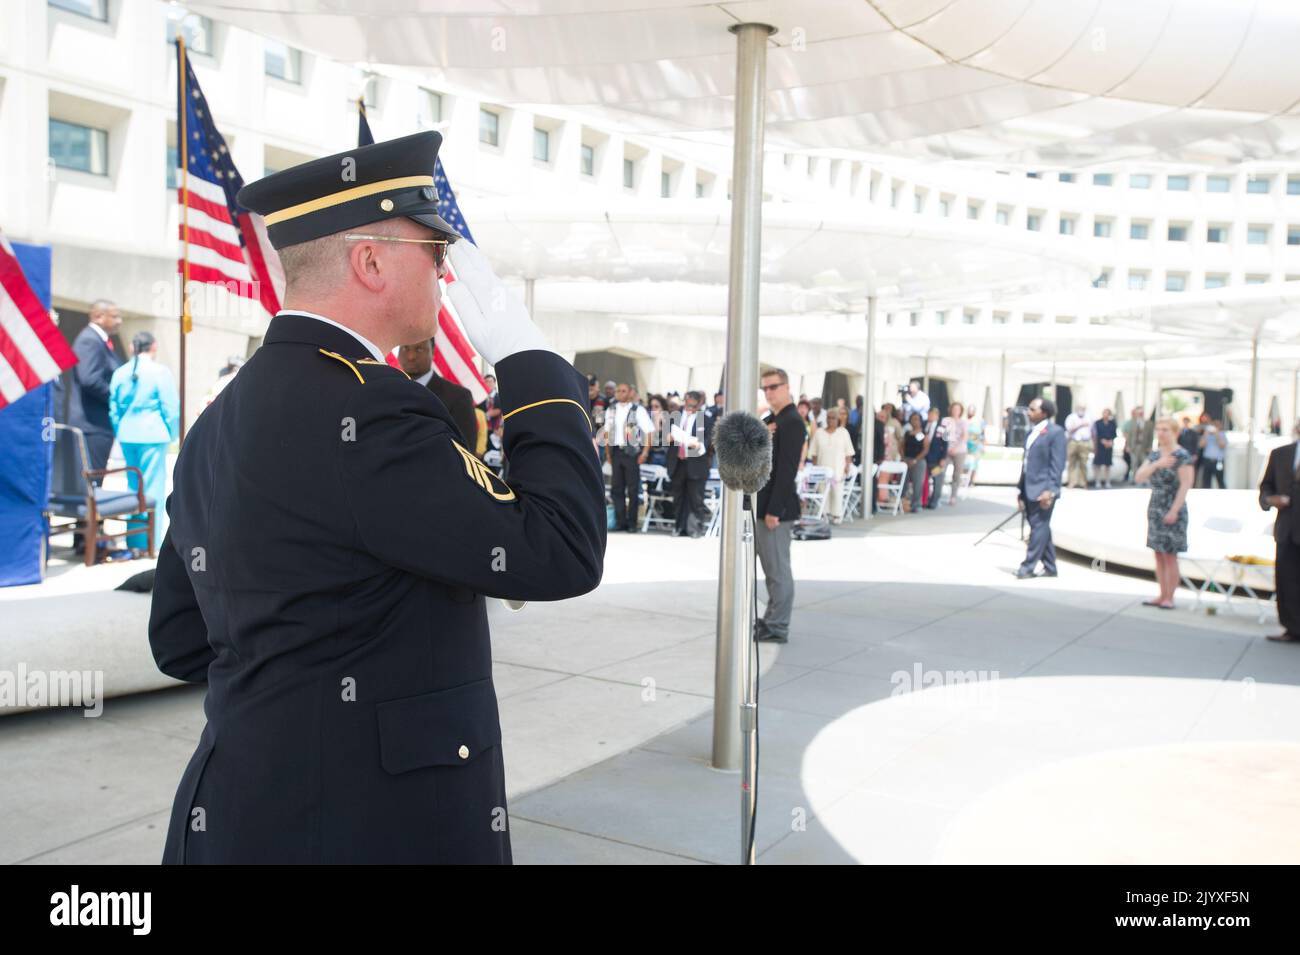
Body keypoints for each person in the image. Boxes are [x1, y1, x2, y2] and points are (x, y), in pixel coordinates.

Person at [148, 130, 606, 865]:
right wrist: (535, 369)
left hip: (237, 810)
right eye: (434, 253)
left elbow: (177, 637)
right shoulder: (375, 413)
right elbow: (560, 548)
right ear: (369, 261)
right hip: (370, 825)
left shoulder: (217, 420)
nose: (444, 275)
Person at [108, 330, 180, 553]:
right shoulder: (160, 372)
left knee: (133, 487)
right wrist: (172, 433)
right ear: (154, 346)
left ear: (132, 348)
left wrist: (121, 430)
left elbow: (114, 409)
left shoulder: (120, 372)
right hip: (153, 434)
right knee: (152, 488)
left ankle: (134, 541)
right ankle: (151, 542)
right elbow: (170, 408)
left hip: (128, 434)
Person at [755, 368, 804, 643]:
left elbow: (786, 470)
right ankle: (771, 619)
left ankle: (778, 625)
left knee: (778, 571)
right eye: (766, 388)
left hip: (777, 509)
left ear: (786, 387)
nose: (769, 392)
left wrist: (774, 510)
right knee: (771, 570)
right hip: (766, 504)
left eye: (774, 387)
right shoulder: (773, 419)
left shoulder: (792, 421)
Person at [1134, 418, 1194, 609]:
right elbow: (1139, 476)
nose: (1161, 433)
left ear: (1174, 432)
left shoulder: (1182, 455)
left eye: (1165, 430)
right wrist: (1157, 464)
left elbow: (1186, 484)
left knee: (1170, 555)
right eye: (1158, 429)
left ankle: (1170, 596)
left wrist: (1174, 510)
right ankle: (1161, 593)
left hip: (1173, 505)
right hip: (1156, 505)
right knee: (1158, 553)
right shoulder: (1155, 456)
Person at [1015, 397, 1066, 578]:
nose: (1028, 412)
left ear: (1044, 413)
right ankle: (1050, 567)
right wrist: (1020, 491)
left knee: (1038, 528)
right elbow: (1026, 464)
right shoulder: (1031, 433)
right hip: (1028, 488)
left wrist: (1050, 490)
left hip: (1043, 490)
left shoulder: (1056, 432)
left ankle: (1027, 566)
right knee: (1041, 527)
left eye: (1032, 409)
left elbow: (1057, 465)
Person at [1259, 422, 1300, 641]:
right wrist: (1269, 500)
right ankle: (1292, 628)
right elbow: (1266, 486)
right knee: (1286, 580)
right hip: (1287, 530)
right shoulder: (1281, 454)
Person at [398, 337, 478, 449]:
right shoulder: (388, 393)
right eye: (405, 348)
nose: (411, 356)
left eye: (419, 349)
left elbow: (465, 454)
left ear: (433, 351)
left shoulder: (458, 397)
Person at [605, 382, 652, 532]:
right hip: (616, 452)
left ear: (630, 392)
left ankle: (632, 523)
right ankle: (621, 522)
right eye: (618, 391)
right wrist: (608, 454)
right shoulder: (610, 410)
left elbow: (649, 431)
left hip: (632, 454)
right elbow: (606, 433)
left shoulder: (638, 410)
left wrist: (645, 452)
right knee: (616, 489)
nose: (619, 393)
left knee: (632, 490)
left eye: (623, 391)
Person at [667, 390, 712, 537]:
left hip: (696, 463)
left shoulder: (705, 419)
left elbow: (708, 441)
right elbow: (664, 436)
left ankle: (694, 528)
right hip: (678, 462)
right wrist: (668, 437)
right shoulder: (675, 417)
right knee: (678, 497)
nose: (689, 407)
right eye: (687, 403)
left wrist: (697, 444)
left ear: (699, 404)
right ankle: (678, 527)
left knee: (695, 498)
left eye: (693, 405)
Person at [809, 406, 854, 522]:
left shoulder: (843, 433)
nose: (830, 420)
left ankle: (836, 515)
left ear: (837, 419)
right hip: (822, 469)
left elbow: (848, 452)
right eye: (828, 418)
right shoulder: (819, 432)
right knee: (823, 491)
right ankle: (824, 514)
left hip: (838, 468)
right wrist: (815, 469)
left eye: (833, 418)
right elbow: (814, 453)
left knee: (837, 492)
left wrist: (847, 466)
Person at [941, 401, 967, 505]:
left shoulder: (963, 422)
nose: (955, 411)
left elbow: (964, 436)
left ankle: (953, 496)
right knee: (941, 471)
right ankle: (937, 493)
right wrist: (946, 448)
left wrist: (956, 448)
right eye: (954, 409)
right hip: (947, 449)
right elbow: (944, 436)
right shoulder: (946, 421)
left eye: (957, 409)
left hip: (959, 450)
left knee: (957, 474)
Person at [901, 412, 927, 514]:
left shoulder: (924, 433)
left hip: (919, 461)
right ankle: (903, 503)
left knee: (917, 483)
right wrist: (903, 458)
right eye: (913, 419)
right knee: (904, 482)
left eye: (917, 419)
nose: (915, 421)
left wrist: (916, 460)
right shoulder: (907, 433)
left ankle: (917, 504)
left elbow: (925, 449)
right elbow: (901, 446)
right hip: (907, 460)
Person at [1064, 402, 1092, 489]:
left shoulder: (1089, 417)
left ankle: (1083, 482)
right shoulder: (1071, 417)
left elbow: (1093, 431)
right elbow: (1069, 429)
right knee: (1071, 463)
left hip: (1085, 442)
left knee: (1083, 463)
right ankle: (1071, 482)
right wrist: (1080, 425)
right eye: (1080, 408)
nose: (1082, 410)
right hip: (1073, 441)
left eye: (1083, 408)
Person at [1198, 419, 1228, 488]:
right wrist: (1205, 434)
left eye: (1217, 425)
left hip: (1218, 461)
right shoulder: (1207, 435)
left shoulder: (1222, 434)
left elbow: (1222, 445)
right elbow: (1201, 445)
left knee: (1220, 480)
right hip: (1207, 460)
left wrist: (1217, 434)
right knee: (1206, 481)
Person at [1092, 408, 1117, 488]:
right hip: (1100, 445)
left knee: (1107, 464)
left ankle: (1107, 481)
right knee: (1098, 464)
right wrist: (1102, 441)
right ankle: (1097, 481)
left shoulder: (1112, 423)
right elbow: (1095, 434)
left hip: (1109, 445)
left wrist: (1110, 441)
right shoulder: (1097, 423)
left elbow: (1114, 434)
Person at [1120, 406, 1143, 484]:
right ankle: (1132, 478)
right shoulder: (1128, 423)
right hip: (1131, 445)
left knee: (1139, 462)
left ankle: (1138, 478)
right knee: (1132, 462)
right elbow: (1125, 434)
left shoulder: (1141, 422)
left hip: (1140, 446)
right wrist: (1128, 445)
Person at [965, 403, 984, 484]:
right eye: (969, 410)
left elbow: (982, 434)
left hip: (976, 446)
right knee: (966, 463)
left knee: (974, 464)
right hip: (966, 445)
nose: (971, 412)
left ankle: (971, 481)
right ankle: (964, 479)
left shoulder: (979, 422)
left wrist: (982, 445)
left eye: (972, 410)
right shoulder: (964, 421)